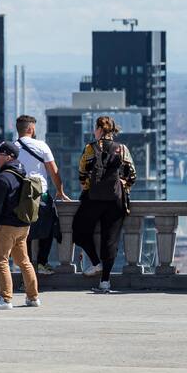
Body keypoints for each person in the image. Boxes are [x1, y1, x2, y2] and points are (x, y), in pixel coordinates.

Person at [73, 116, 137, 294]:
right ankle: (105, 282)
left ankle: (95, 263)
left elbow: (82, 173)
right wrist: (122, 185)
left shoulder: (90, 148)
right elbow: (132, 175)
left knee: (79, 230)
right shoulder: (122, 149)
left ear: (100, 130)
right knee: (110, 240)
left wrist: (91, 187)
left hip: (93, 199)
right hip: (115, 201)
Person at [0, 140, 40, 310]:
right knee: (24, 261)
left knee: (1, 261)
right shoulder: (22, 172)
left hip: (6, 226)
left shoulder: (3, 178)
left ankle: (5, 298)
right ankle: (33, 297)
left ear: (9, 157)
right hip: (23, 225)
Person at [15, 115, 69, 275]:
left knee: (25, 234)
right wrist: (60, 191)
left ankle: (28, 268)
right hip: (41, 195)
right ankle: (42, 263)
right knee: (50, 226)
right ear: (31, 129)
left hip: (19, 197)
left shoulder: (12, 148)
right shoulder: (41, 146)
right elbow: (54, 171)